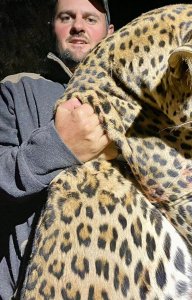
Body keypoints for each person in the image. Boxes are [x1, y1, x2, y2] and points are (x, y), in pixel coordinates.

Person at [0, 0, 115, 298]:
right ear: (52, 26)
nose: (78, 26)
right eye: (67, 17)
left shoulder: (135, 104)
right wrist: (58, 146)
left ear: (110, 32)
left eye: (91, 18)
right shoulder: (16, 89)